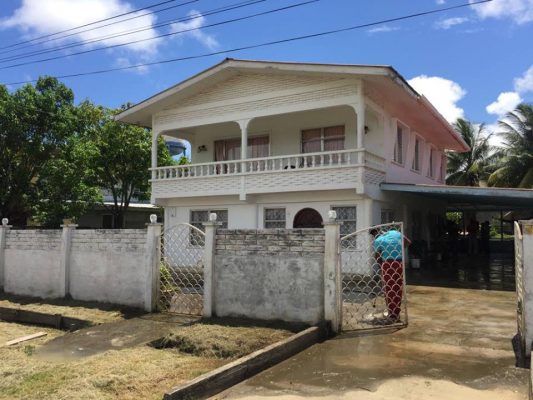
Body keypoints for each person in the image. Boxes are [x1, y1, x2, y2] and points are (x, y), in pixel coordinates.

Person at [372, 229, 411, 323]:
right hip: (399, 263)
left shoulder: (378, 240)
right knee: (397, 288)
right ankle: (396, 313)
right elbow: (408, 242)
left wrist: (380, 266)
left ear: (374, 234)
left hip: (388, 264)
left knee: (389, 290)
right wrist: (399, 249)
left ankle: (393, 315)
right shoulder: (395, 233)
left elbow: (377, 256)